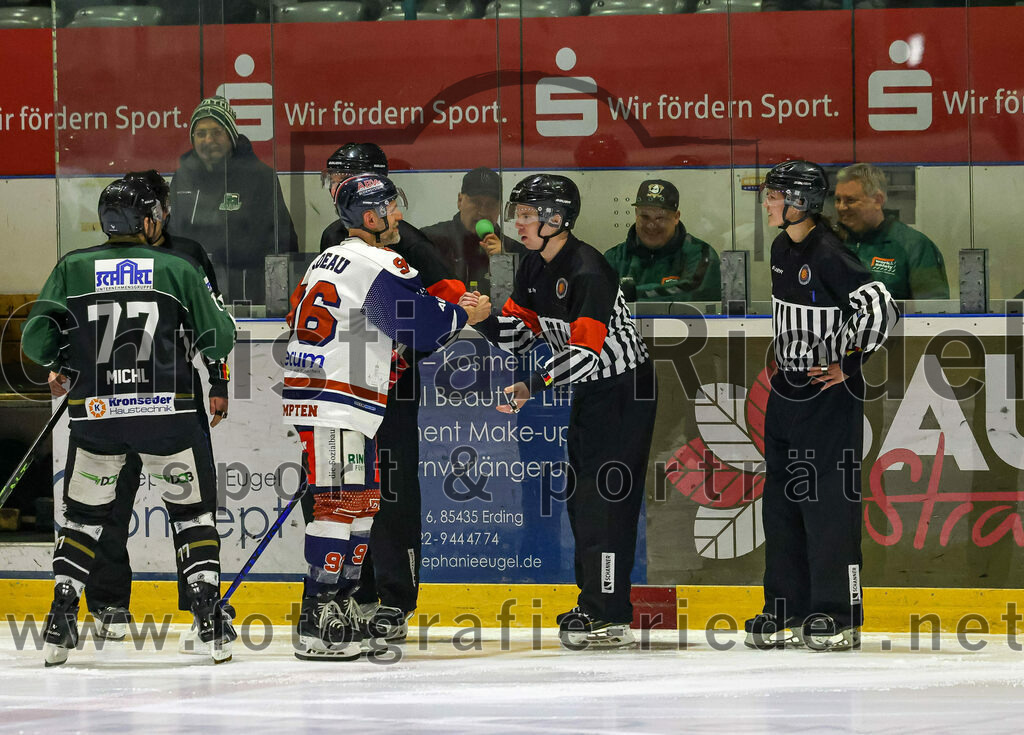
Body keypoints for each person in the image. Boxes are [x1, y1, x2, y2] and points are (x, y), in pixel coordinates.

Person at [22, 176, 237, 666]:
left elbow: (36, 340)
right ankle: (208, 617)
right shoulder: (177, 266)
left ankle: (60, 619)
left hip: (98, 417)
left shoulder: (72, 267)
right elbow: (219, 337)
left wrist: (63, 359)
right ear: (147, 220)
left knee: (84, 519)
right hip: (168, 417)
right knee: (192, 514)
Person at [284, 173, 486, 660]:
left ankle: (344, 602)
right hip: (337, 399)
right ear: (370, 216)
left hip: (337, 396)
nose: (399, 215)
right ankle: (317, 615)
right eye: (392, 208)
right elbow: (419, 326)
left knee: (361, 504)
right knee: (338, 507)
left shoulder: (327, 260)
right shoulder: (379, 262)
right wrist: (464, 315)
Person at [461, 174, 658, 650]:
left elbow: (584, 355)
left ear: (557, 218)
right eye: (519, 214)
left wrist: (531, 385)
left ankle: (608, 612)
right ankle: (598, 605)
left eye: (528, 215)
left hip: (625, 391)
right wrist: (484, 320)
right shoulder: (534, 266)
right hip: (592, 391)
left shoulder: (589, 270)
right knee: (583, 501)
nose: (518, 223)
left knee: (605, 502)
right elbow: (519, 336)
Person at [747, 160, 898, 652]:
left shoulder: (830, 252)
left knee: (828, 505)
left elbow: (882, 306)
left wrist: (849, 363)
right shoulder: (780, 247)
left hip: (828, 396)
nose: (768, 204)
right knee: (781, 504)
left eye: (775, 197)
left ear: (800, 202)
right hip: (786, 390)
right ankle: (785, 607)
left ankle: (838, 613)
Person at [317, 143, 466, 640]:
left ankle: (397, 598)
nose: (334, 185)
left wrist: (407, 353)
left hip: (393, 388)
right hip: (348, 386)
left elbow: (446, 310)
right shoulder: (334, 238)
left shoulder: (412, 244)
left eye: (343, 176)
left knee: (393, 491)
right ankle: (357, 591)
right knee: (349, 489)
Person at [168, 96, 298, 305]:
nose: (208, 140)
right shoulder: (182, 178)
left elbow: (282, 240)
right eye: (201, 134)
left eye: (217, 132)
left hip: (249, 294)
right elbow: (171, 237)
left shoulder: (260, 177)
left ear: (231, 136)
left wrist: (277, 300)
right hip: (191, 290)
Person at [834, 163, 949, 301]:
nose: (841, 207)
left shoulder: (914, 246)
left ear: (878, 200)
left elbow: (933, 307)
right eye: (838, 200)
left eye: (850, 200)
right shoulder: (833, 243)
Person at [604, 179, 721, 302]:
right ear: (636, 214)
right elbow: (601, 297)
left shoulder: (701, 254)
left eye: (660, 218)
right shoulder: (614, 258)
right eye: (645, 217)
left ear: (676, 217)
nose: (651, 225)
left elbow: (693, 293)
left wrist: (631, 293)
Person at [421, 166, 526, 296]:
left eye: (491, 204)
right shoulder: (429, 241)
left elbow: (523, 300)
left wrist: (505, 264)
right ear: (460, 201)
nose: (483, 212)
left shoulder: (516, 251)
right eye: (476, 202)